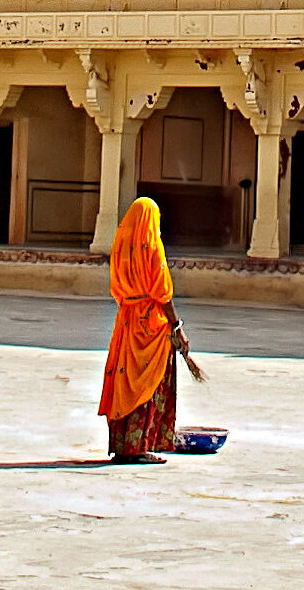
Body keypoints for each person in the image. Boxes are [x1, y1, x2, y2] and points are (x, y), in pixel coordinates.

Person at [96, 196, 183, 461]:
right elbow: (161, 292)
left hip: (127, 321)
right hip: (151, 325)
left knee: (126, 383)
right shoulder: (151, 248)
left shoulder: (121, 248)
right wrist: (176, 325)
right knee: (147, 383)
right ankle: (140, 446)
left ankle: (124, 446)